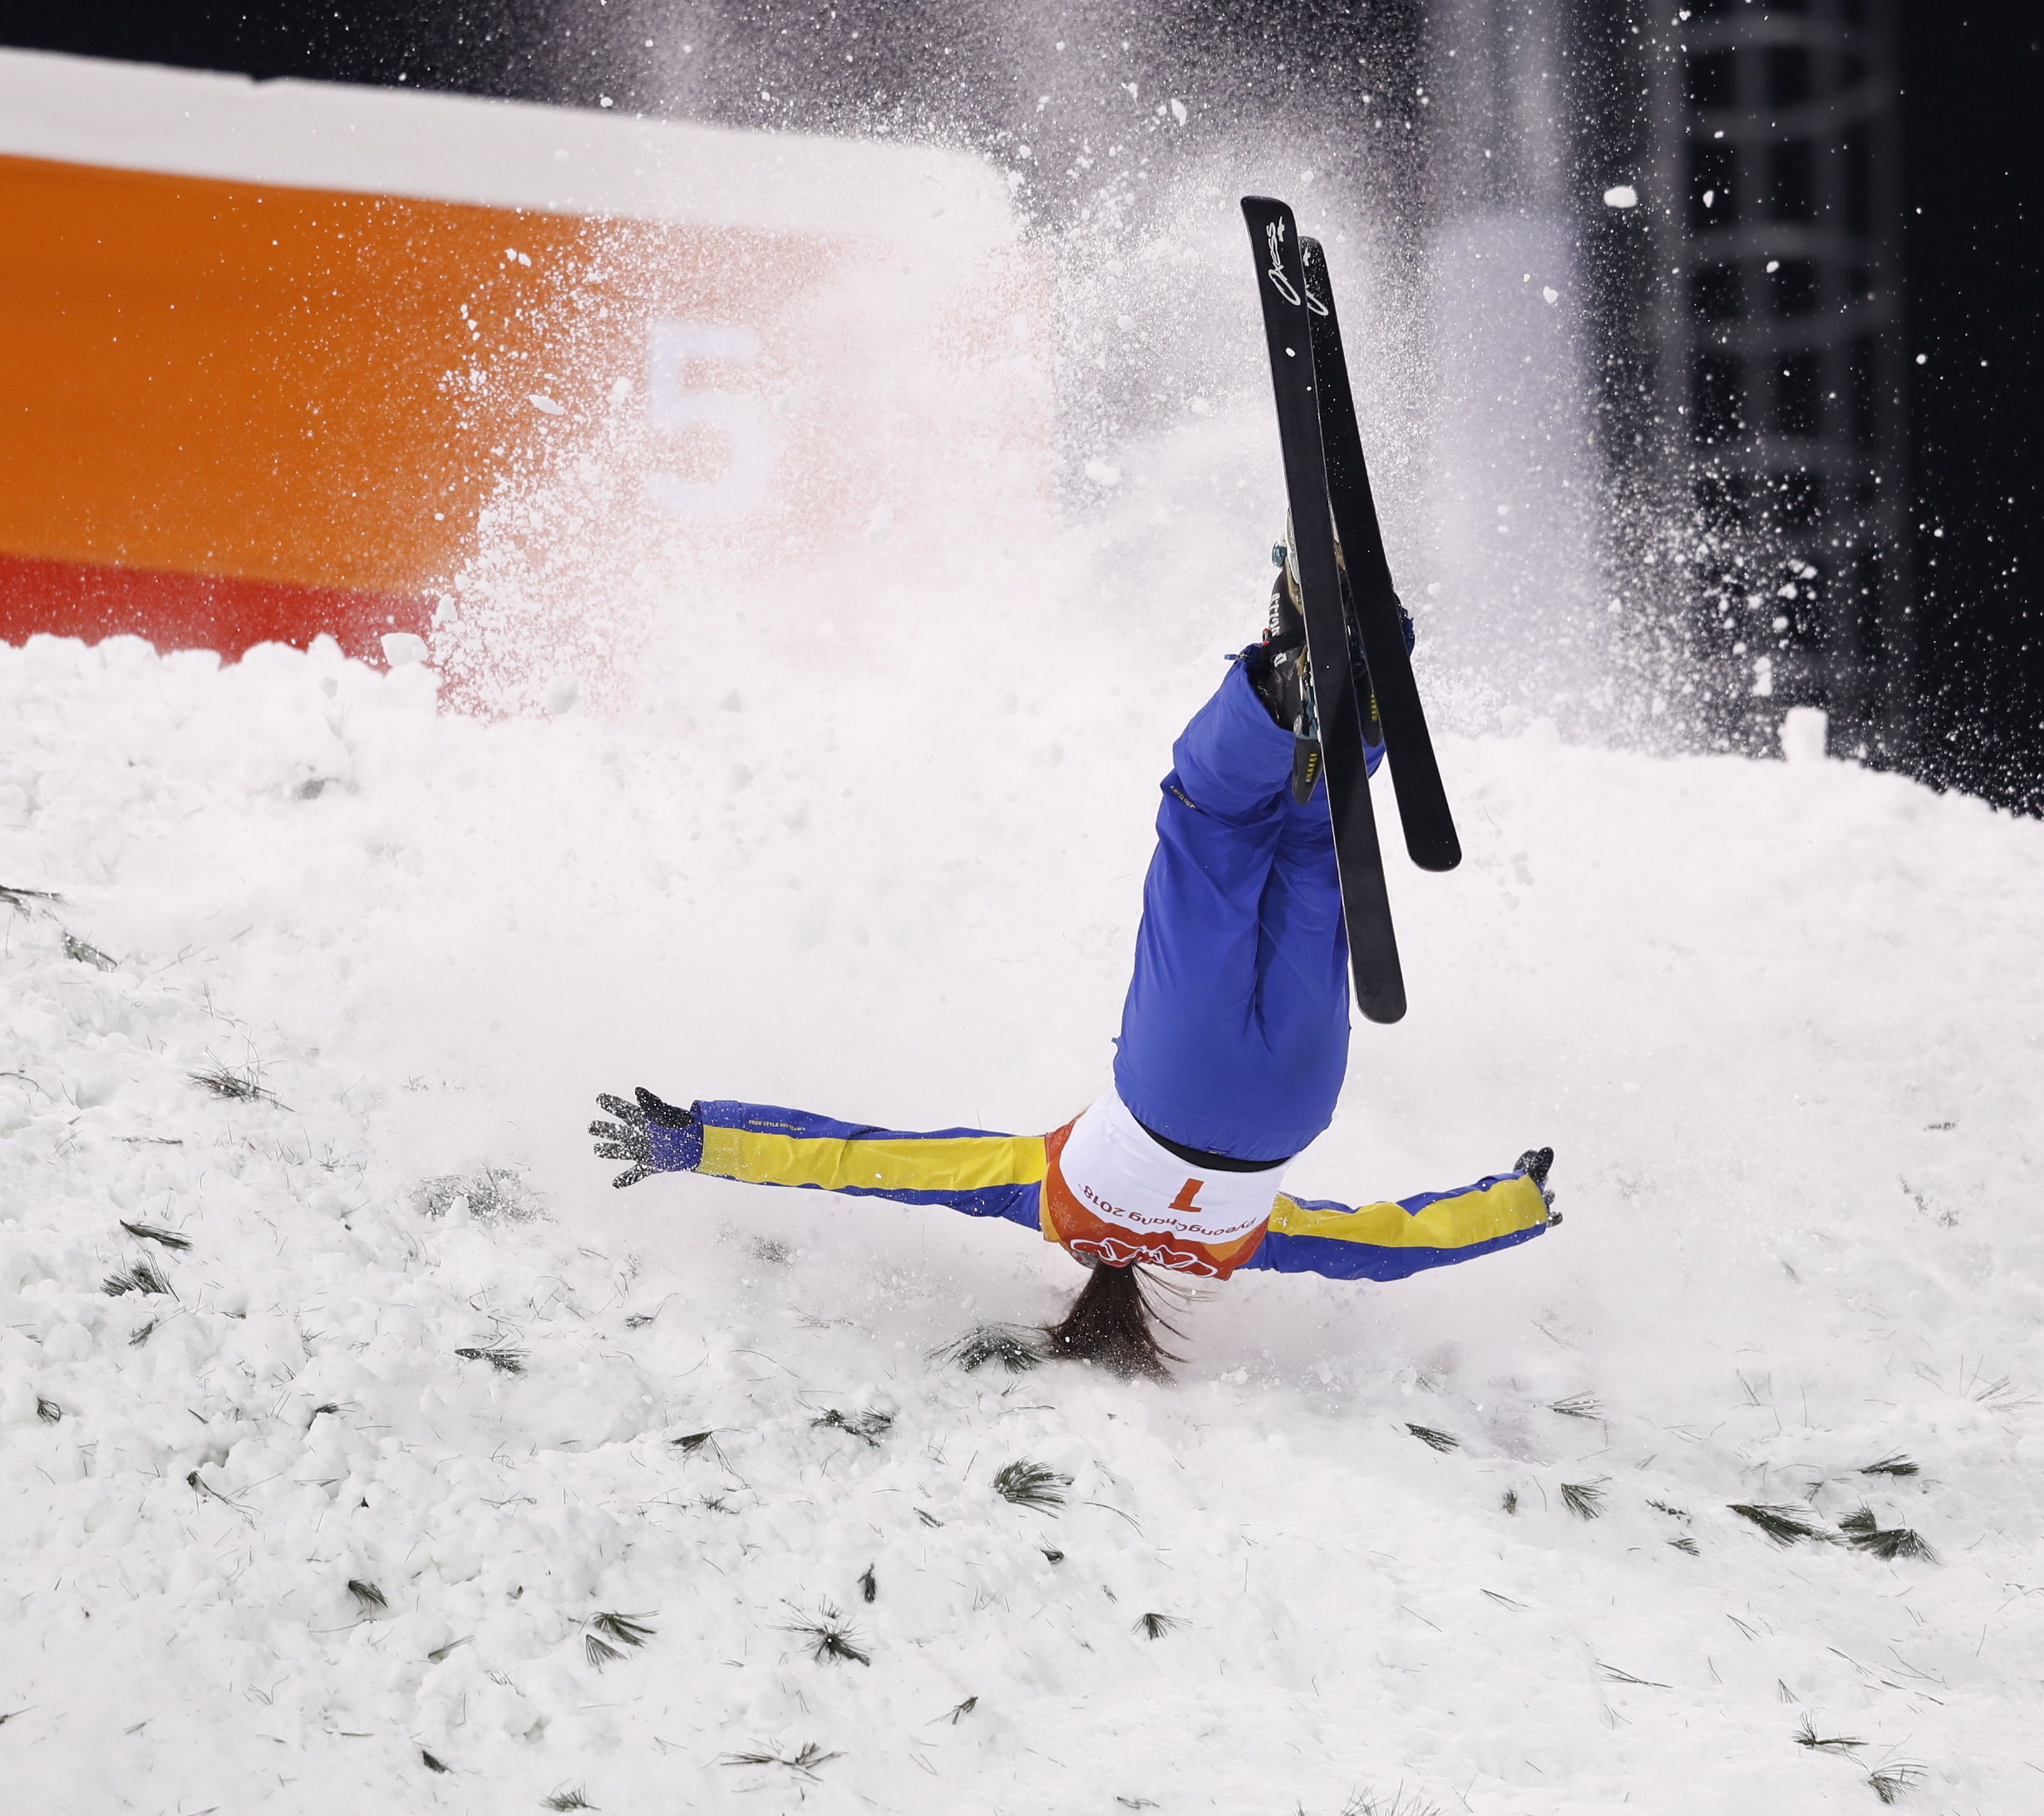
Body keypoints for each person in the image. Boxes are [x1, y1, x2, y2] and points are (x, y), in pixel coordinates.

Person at [593, 565, 1559, 1376]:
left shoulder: (1234, 1244)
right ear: (1080, 1274)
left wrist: (1517, 1204)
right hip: (1171, 1080)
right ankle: (1274, 691)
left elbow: (1380, 1245)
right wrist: (697, 1138)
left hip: (1292, 1107)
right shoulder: (1050, 1195)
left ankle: (1348, 704)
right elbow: (864, 1160)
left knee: (1312, 846)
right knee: (1208, 826)